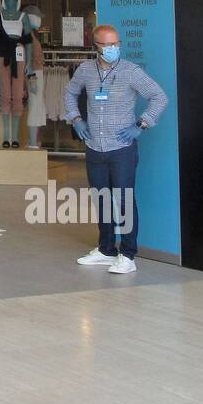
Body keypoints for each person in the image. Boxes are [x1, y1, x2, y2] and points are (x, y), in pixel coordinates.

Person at [62, 24, 167, 275]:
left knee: (124, 201)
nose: (113, 49)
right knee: (101, 199)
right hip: (94, 147)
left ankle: (128, 254)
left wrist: (142, 124)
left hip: (121, 148)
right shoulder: (86, 70)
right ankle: (106, 249)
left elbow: (159, 96)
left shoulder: (131, 71)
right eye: (107, 45)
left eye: (116, 44)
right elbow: (69, 92)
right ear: (95, 47)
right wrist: (76, 119)